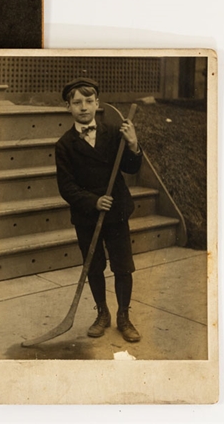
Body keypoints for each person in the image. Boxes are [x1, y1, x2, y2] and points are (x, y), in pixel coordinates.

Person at [55, 78, 143, 342]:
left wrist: (133, 144)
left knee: (123, 266)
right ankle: (102, 313)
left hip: (116, 213)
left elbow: (131, 168)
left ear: (97, 104)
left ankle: (123, 316)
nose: (84, 107)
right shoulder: (65, 144)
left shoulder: (114, 133)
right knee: (93, 266)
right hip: (87, 216)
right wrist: (93, 201)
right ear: (68, 107)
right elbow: (66, 187)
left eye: (89, 102)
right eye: (77, 102)